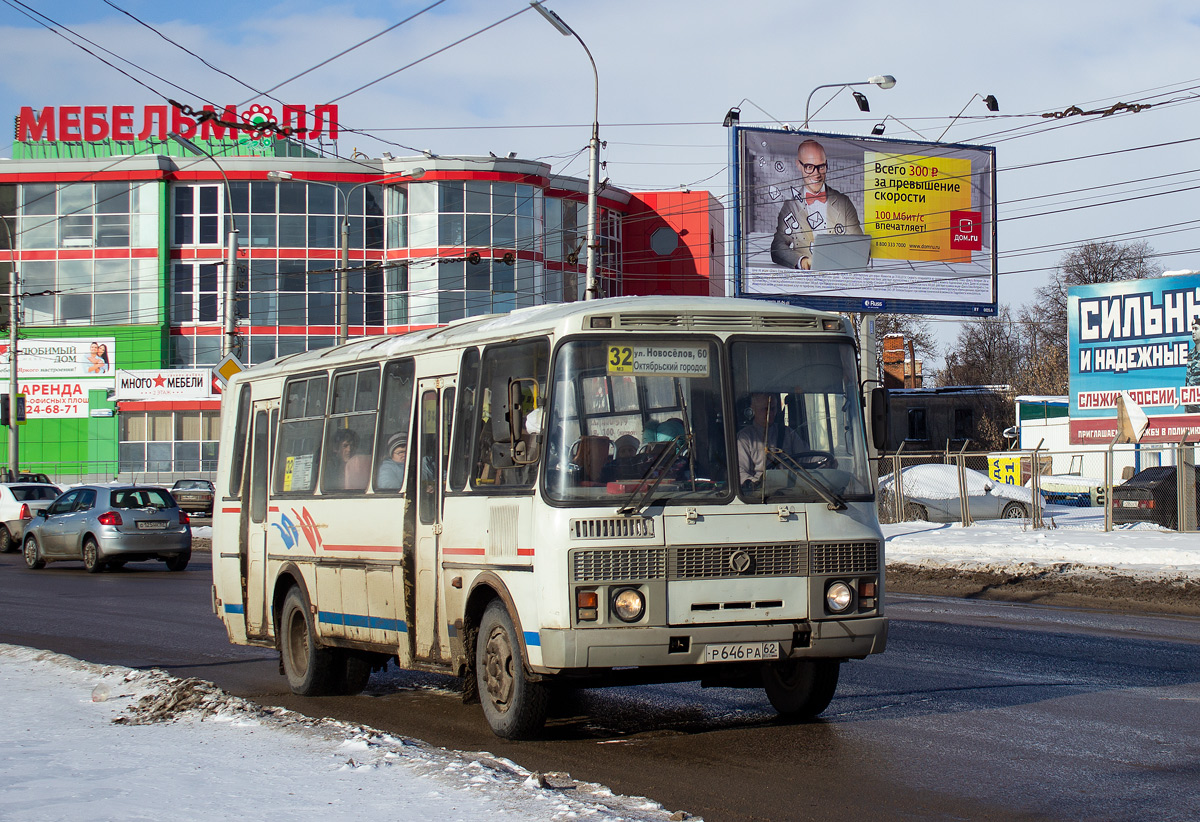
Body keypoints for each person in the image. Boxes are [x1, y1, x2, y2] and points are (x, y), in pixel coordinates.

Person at [770, 139, 864, 270]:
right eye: (809, 167)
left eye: (821, 166)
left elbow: (860, 249)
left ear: (827, 165)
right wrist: (802, 261)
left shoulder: (843, 202)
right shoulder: (791, 206)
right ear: (799, 165)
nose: (816, 174)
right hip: (807, 285)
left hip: (839, 278)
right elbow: (777, 248)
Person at [736, 392, 804, 488]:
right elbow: (740, 472)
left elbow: (806, 457)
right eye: (765, 409)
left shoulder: (787, 433)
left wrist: (826, 461)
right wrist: (759, 484)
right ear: (753, 410)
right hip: (758, 494)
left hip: (790, 489)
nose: (770, 413)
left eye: (773, 409)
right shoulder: (745, 438)